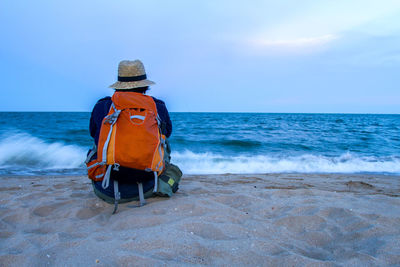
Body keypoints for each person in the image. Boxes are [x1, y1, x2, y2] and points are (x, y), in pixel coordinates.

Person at [86, 60, 182, 211]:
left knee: (98, 141)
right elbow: (167, 133)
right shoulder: (158, 106)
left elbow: (93, 134)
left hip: (106, 190)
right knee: (163, 140)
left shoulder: (102, 106)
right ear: (145, 84)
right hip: (149, 187)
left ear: (119, 83)